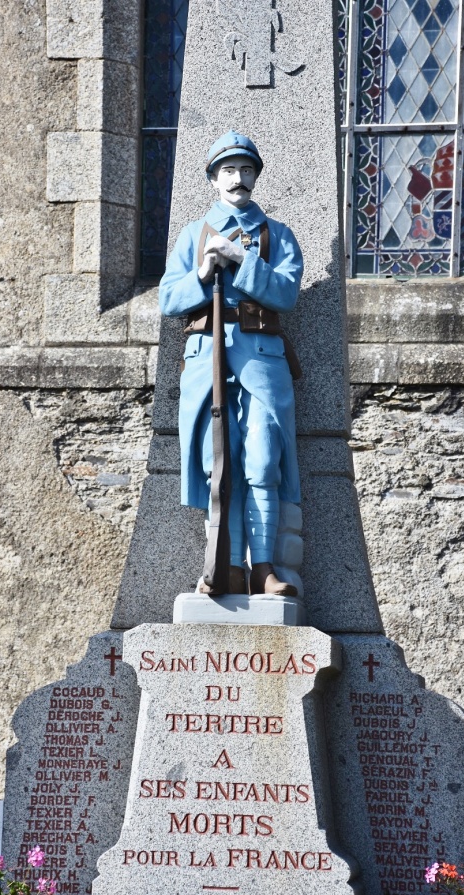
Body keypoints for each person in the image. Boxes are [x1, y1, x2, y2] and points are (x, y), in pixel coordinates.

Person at [159, 130, 303, 597]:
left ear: (255, 177)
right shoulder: (193, 235)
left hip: (261, 363)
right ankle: (227, 569)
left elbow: (285, 292)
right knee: (219, 462)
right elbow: (168, 299)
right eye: (228, 170)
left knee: (262, 460)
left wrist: (240, 258)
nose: (238, 179)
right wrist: (203, 273)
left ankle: (263, 568)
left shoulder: (277, 235)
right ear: (213, 180)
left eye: (245, 170)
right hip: (208, 362)